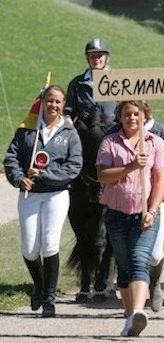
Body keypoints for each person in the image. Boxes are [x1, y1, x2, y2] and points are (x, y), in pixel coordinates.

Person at [4, 85, 82, 317]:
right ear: (43, 102)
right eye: (49, 101)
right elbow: (11, 158)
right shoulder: (27, 129)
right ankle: (38, 285)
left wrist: (46, 175)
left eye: (58, 102)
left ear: (63, 104)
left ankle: (49, 298)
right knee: (29, 248)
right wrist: (19, 179)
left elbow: (74, 166)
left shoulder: (69, 132)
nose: (53, 105)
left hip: (56, 194)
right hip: (30, 194)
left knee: (50, 244)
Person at [96, 100, 164, 337]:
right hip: (116, 214)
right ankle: (130, 318)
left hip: (145, 214)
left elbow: (160, 180)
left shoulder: (155, 143)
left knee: (140, 259)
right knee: (124, 265)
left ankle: (139, 311)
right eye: (127, 114)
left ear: (145, 115)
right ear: (120, 117)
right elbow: (102, 176)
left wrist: (153, 209)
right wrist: (130, 166)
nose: (131, 118)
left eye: (136, 114)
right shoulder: (110, 142)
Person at [64, 38, 117, 124]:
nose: (96, 59)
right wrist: (68, 119)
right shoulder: (77, 83)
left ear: (107, 58)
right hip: (84, 131)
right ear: (87, 58)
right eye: (92, 56)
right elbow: (69, 110)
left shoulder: (117, 81)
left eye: (99, 56)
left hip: (110, 131)